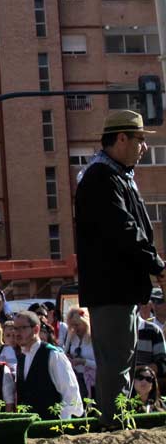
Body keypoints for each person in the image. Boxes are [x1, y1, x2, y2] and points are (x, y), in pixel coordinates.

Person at [74, 110, 166, 427]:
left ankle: (117, 422)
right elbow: (124, 229)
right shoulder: (102, 178)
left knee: (120, 359)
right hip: (111, 288)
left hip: (118, 287)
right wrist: (157, 265)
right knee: (116, 362)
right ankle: (113, 426)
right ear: (121, 138)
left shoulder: (115, 175)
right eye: (139, 139)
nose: (144, 147)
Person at [13, 310, 82, 420]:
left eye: (23, 328)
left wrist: (63, 425)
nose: (17, 333)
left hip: (53, 427)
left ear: (36, 329)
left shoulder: (53, 355)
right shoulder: (21, 358)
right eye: (15, 328)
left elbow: (71, 394)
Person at [63, 308, 96, 399]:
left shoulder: (94, 338)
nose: (75, 328)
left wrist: (84, 362)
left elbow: (101, 365)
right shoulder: (71, 337)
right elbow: (66, 353)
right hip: (77, 380)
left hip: (94, 383)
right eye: (72, 325)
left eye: (77, 325)